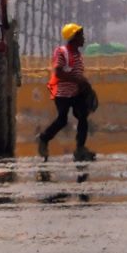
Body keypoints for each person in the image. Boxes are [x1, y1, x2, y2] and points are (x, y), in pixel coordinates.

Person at [37, 23, 96, 162]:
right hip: (63, 94)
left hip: (76, 93)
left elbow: (78, 75)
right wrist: (77, 80)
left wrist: (84, 85)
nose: (84, 39)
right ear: (74, 37)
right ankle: (44, 139)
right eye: (81, 36)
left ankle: (80, 149)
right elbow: (58, 72)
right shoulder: (62, 52)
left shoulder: (78, 55)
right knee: (62, 120)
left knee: (83, 118)